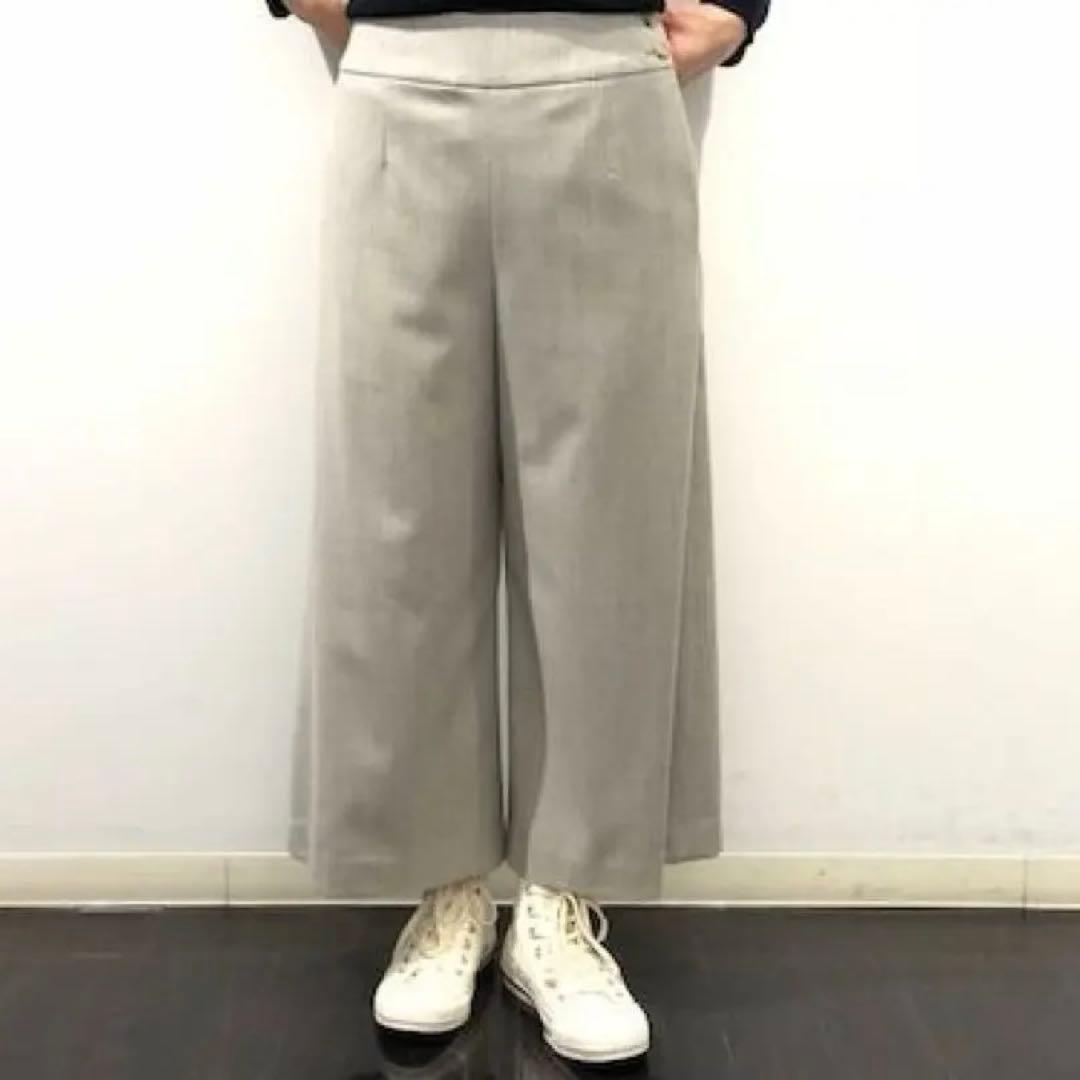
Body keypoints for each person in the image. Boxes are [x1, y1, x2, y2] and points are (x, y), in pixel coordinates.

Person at [269, 0, 769, 1064]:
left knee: (611, 518)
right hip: (399, 62)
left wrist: (738, 4)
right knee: (392, 517)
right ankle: (441, 885)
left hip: (608, 67)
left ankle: (561, 897)